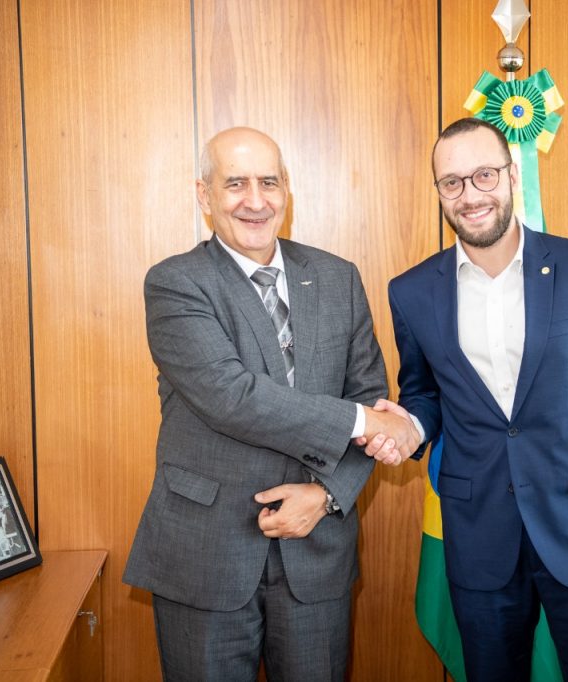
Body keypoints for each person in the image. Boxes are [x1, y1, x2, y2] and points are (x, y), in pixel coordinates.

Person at [363, 118, 568, 681]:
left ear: (513, 176)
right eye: (452, 182)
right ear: (439, 192)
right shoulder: (410, 292)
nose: (470, 195)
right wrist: (412, 425)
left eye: (484, 175)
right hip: (480, 536)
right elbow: (425, 394)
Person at [123, 127, 418, 681]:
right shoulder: (175, 283)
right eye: (235, 184)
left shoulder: (337, 278)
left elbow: (367, 392)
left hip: (317, 553)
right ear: (204, 195)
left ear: (287, 189)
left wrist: (326, 497)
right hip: (206, 555)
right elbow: (232, 396)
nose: (255, 201)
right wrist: (366, 421)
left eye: (268, 182)